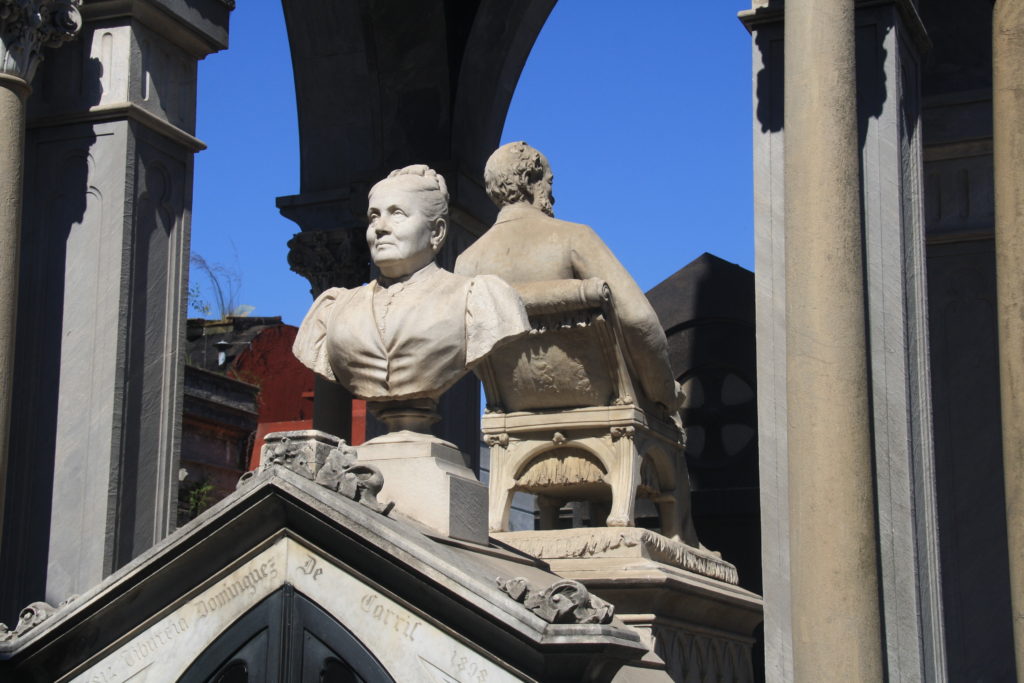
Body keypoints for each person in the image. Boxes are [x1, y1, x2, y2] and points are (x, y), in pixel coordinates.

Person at [293, 165, 529, 429]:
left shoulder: (478, 300)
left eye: (397, 214)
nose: (380, 228)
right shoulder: (334, 309)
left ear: (437, 232)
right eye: (373, 217)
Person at [454, 142, 683, 412]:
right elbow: (638, 320)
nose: (553, 196)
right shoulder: (574, 238)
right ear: (529, 180)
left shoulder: (465, 263)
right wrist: (664, 392)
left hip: (511, 410)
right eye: (549, 183)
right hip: (608, 413)